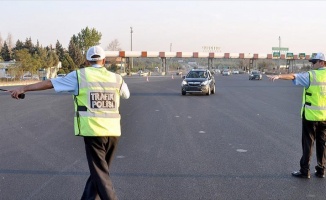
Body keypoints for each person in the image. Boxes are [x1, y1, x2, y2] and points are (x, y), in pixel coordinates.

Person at [10, 45, 130, 199]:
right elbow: (126, 94)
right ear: (104, 61)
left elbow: (50, 83)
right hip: (113, 133)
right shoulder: (116, 78)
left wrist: (24, 88)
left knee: (100, 175)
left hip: (93, 131)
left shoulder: (80, 76)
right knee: (99, 173)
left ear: (86, 61)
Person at [267, 52, 326, 179]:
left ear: (322, 63)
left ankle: (305, 171)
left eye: (314, 62)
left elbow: (293, 76)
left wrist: (278, 76)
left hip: (310, 116)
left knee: (308, 144)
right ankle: (321, 170)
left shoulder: (312, 75)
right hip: (325, 117)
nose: (312, 64)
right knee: (322, 144)